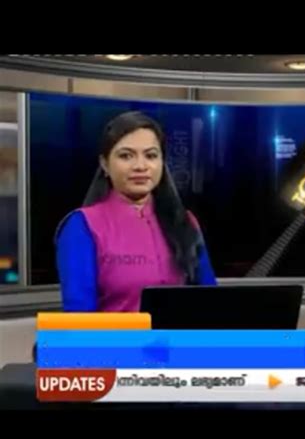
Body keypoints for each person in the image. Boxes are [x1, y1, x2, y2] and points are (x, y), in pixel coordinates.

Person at [55, 111, 217, 313]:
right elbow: (79, 319)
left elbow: (211, 304)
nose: (140, 166)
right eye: (126, 156)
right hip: (113, 336)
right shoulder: (81, 226)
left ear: (162, 162)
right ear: (105, 164)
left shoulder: (185, 222)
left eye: (151, 155)